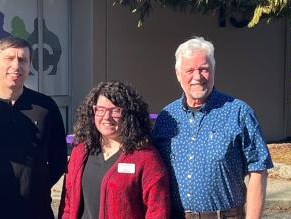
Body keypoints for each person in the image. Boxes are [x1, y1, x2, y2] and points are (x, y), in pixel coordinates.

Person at [151, 37, 273, 219]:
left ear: (213, 70)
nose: (197, 77)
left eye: (204, 69)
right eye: (189, 70)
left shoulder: (239, 112)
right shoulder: (167, 116)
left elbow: (258, 170)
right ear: (178, 74)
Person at [0, 36, 68, 219]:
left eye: (22, 60)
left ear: (29, 65)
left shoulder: (45, 108)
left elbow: (58, 159)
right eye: (9, 59)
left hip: (36, 211)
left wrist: (36, 186)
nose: (16, 66)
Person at [59, 81, 170, 219]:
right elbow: (68, 203)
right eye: (100, 109)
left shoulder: (146, 159)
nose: (107, 117)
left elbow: (157, 211)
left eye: (116, 110)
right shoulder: (80, 151)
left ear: (129, 115)